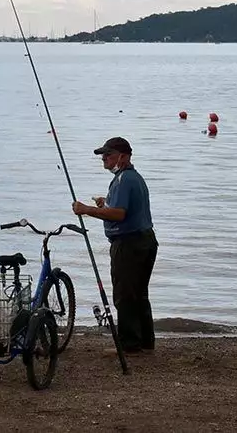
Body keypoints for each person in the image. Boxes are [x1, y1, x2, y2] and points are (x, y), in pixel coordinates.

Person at [71, 136, 158, 354]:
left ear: (123, 156)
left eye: (108, 155)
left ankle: (129, 345)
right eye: (103, 155)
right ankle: (145, 342)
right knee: (138, 293)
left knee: (124, 295)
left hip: (129, 244)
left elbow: (119, 214)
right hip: (144, 240)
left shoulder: (124, 179)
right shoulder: (132, 178)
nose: (104, 159)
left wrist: (86, 209)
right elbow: (120, 208)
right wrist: (105, 203)